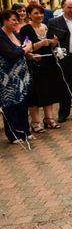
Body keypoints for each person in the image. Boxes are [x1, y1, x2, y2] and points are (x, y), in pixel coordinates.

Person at [20, 4, 60, 131]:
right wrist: (42, 43)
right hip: (34, 64)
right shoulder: (26, 30)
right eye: (36, 13)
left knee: (49, 90)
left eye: (41, 13)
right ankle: (35, 122)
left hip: (49, 62)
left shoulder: (46, 27)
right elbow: (26, 47)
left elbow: (51, 45)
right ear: (29, 15)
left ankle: (49, 118)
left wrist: (54, 43)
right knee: (34, 93)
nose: (40, 15)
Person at [0, 9, 33, 143]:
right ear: (5, 20)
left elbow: (20, 50)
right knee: (10, 104)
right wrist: (27, 48)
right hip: (8, 78)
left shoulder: (15, 34)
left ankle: (24, 131)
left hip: (21, 76)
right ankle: (13, 134)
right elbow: (11, 54)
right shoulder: (1, 36)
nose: (16, 22)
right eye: (13, 19)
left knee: (23, 103)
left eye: (17, 19)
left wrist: (29, 53)